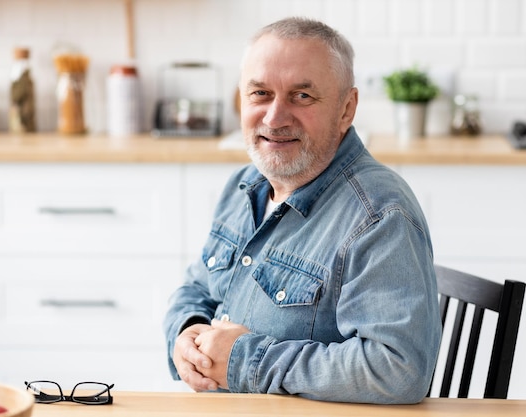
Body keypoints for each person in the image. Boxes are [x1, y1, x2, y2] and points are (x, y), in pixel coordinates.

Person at [163, 16, 441, 405]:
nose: (275, 118)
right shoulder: (244, 185)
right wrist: (186, 334)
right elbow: (197, 288)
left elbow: (398, 369)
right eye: (260, 93)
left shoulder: (379, 215)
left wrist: (245, 359)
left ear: (347, 109)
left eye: (302, 96)